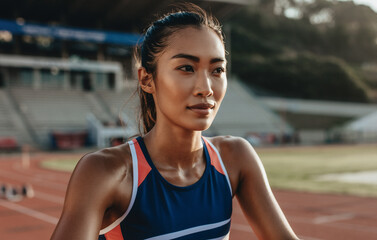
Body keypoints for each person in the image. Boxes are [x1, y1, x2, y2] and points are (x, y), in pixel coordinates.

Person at [51, 4, 299, 240]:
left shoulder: (236, 158)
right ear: (147, 79)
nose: (206, 88)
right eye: (186, 68)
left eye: (217, 70)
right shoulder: (106, 172)